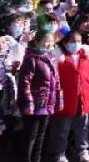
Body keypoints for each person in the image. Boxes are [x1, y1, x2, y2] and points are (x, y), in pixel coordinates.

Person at [44, 31, 89, 162]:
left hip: (83, 97)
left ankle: (83, 151)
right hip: (64, 98)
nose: (76, 44)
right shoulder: (57, 57)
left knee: (82, 127)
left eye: (79, 41)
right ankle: (59, 153)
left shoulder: (86, 56)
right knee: (61, 128)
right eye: (73, 41)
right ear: (65, 43)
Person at [18, 31, 62, 162]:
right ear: (37, 42)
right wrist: (28, 103)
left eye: (50, 41)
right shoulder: (31, 59)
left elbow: (56, 81)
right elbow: (25, 84)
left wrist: (59, 99)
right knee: (31, 135)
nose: (48, 44)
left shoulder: (51, 59)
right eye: (45, 41)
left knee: (41, 135)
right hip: (35, 103)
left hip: (47, 102)